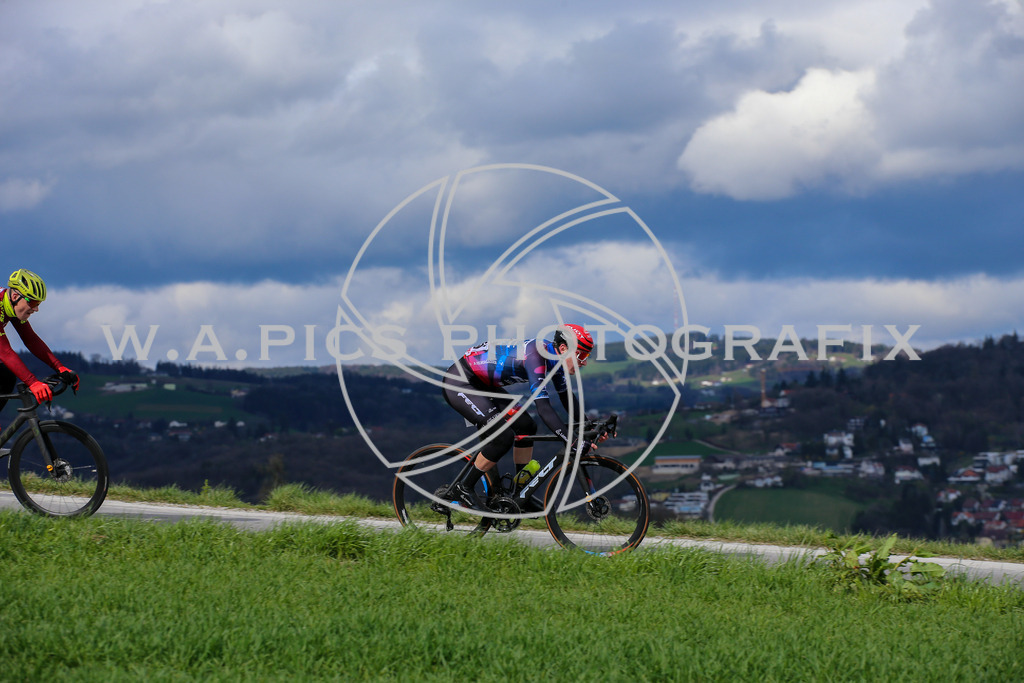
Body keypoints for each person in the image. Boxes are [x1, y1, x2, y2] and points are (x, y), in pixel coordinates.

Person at [440, 323, 604, 509]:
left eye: (587, 356)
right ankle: (464, 488)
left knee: (526, 426)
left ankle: (521, 492)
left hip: (484, 386)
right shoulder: (538, 355)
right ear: (564, 349)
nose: (584, 362)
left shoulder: (555, 360)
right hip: (461, 382)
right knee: (503, 437)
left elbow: (566, 398)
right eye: (581, 355)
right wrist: (570, 439)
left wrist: (589, 426)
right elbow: (543, 408)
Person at [0, 269, 80, 414]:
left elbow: (31, 340)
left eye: (39, 303)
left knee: (6, 375)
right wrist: (33, 383)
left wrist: (59, 367)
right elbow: (4, 352)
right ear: (16, 296)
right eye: (34, 302)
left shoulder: (11, 306)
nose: (36, 309)